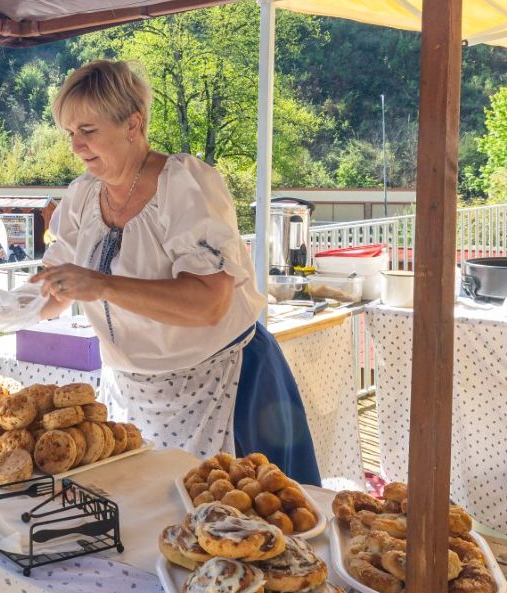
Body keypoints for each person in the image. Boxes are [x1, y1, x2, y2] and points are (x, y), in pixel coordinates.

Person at [30, 60, 320, 485]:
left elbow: (209, 303)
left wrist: (103, 285)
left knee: (245, 527)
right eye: (70, 133)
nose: (76, 145)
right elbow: (54, 292)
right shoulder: (81, 197)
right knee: (150, 527)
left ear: (133, 124)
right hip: (134, 393)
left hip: (226, 386)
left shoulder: (183, 185)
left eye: (88, 131)